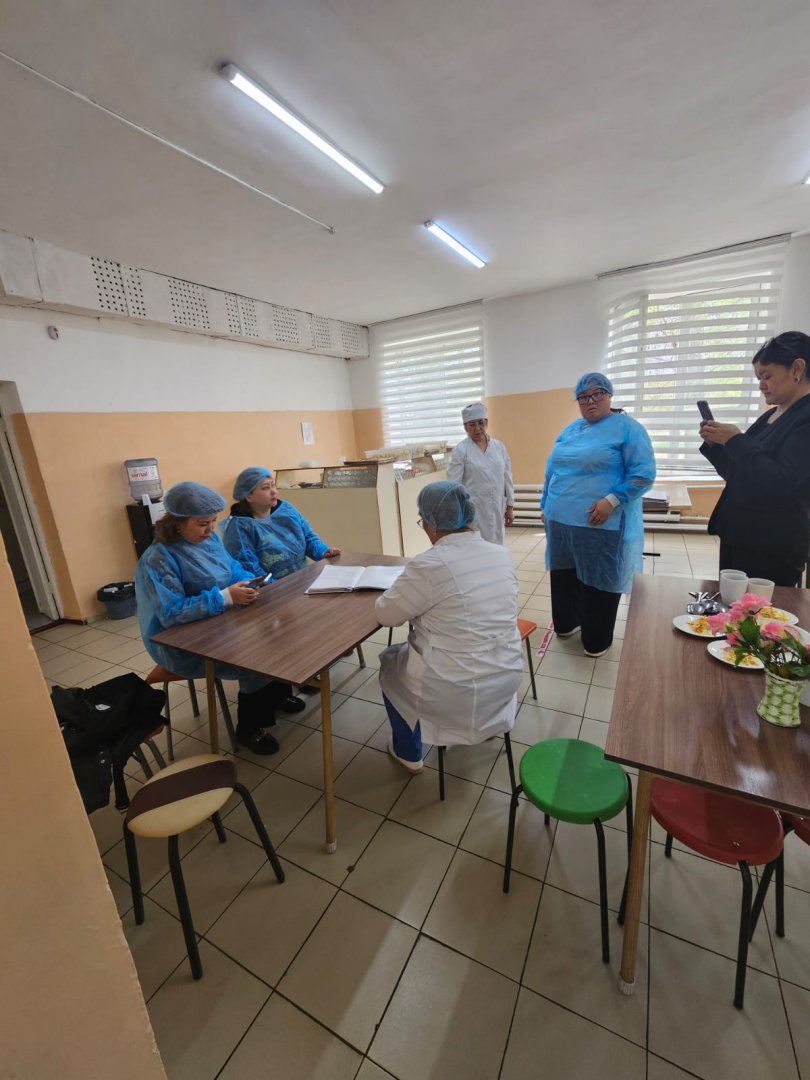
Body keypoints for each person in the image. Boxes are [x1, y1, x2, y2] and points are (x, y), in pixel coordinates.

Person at [135, 481, 304, 756]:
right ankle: (249, 729)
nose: (211, 529)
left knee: (275, 634)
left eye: (214, 521)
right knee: (254, 659)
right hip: (179, 643)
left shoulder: (209, 540)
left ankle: (275, 698)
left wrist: (252, 582)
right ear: (177, 523)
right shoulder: (159, 559)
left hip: (219, 622)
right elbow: (171, 613)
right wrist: (225, 598)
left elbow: (231, 569)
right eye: (203, 523)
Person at [375, 480, 524, 772]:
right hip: (505, 677)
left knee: (390, 664)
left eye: (422, 520)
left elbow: (387, 615)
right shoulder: (500, 554)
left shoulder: (428, 565)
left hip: (452, 689)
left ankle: (409, 753)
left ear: (431, 523)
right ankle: (487, 725)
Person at [542, 373, 656, 657]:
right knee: (564, 576)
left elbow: (643, 474)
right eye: (583, 397)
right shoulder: (570, 430)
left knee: (598, 582)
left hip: (601, 525)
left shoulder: (628, 429)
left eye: (597, 394)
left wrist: (612, 500)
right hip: (560, 523)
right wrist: (545, 505)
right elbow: (551, 471)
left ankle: (595, 640)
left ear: (609, 395)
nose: (590, 401)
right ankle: (567, 624)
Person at [699, 331, 810, 587]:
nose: (761, 385)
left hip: (772, 545)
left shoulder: (805, 418)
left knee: (761, 611)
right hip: (741, 536)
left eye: (767, 376)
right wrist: (717, 446)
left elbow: (779, 480)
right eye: (759, 378)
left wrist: (735, 440)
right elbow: (741, 474)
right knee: (733, 605)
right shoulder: (771, 416)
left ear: (797, 368)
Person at [221, 467, 340, 580]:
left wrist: (323, 551)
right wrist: (276, 587)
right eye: (265, 488)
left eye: (273, 485)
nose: (274, 491)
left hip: (304, 580)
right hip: (272, 590)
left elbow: (308, 537)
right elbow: (250, 570)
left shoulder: (286, 510)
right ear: (248, 496)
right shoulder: (239, 528)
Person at [447, 402, 514, 544]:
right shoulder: (461, 450)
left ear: (486, 423)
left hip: (497, 506)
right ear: (465, 427)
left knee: (497, 543)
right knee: (478, 546)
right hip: (474, 510)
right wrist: (457, 513)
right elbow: (453, 484)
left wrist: (510, 506)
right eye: (472, 424)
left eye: (480, 423)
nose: (477, 428)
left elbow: (507, 477)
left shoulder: (499, 447)